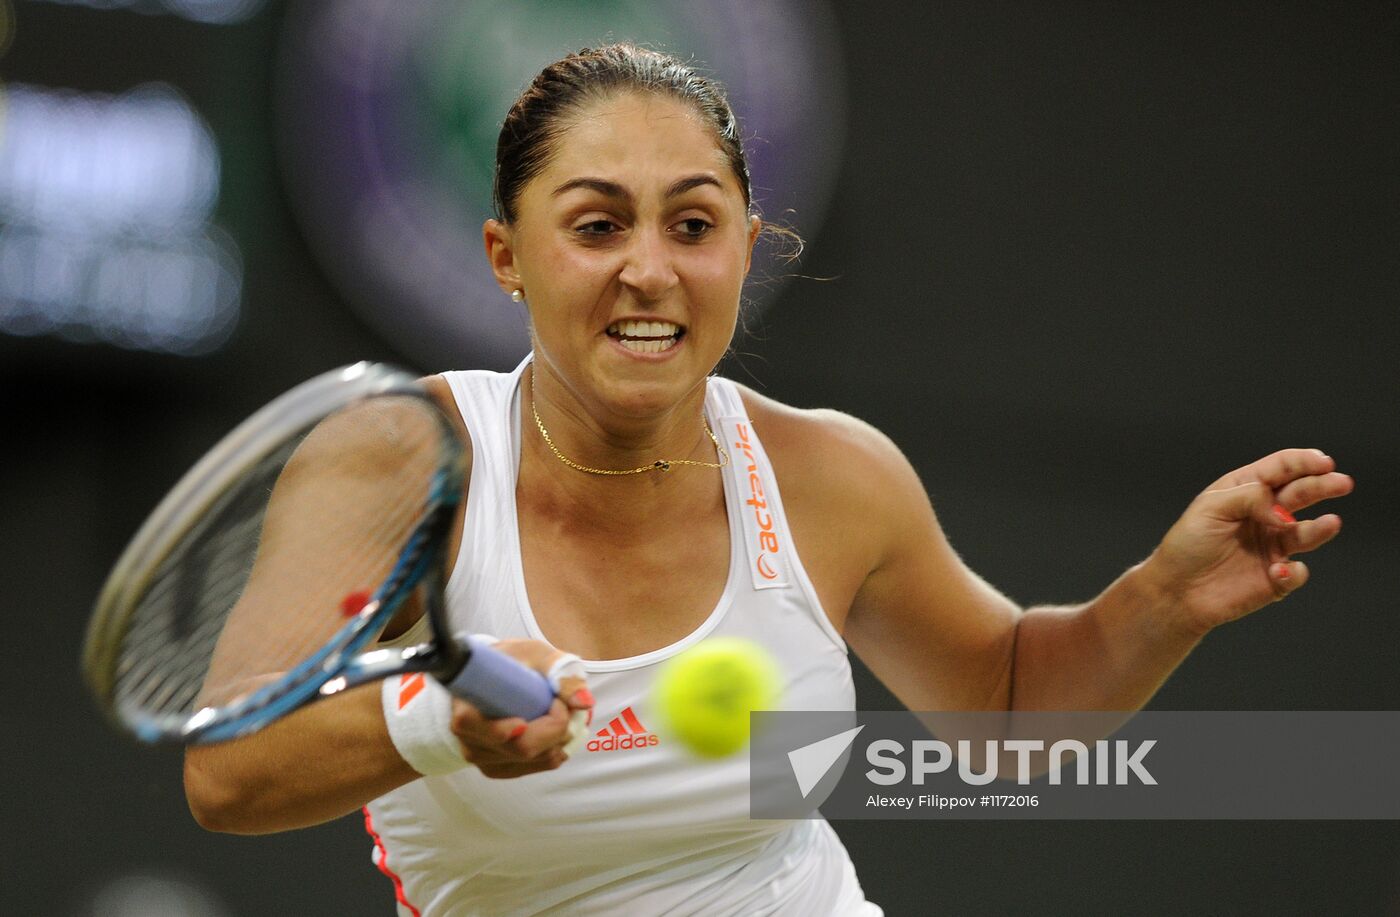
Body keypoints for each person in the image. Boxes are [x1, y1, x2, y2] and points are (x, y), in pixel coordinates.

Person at [184, 43, 1352, 915]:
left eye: (692, 224)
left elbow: (1001, 715)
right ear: (506, 255)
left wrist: (1163, 596)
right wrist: (435, 718)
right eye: (595, 227)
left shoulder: (828, 472)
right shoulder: (396, 461)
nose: (649, 270)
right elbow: (228, 773)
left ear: (744, 245)